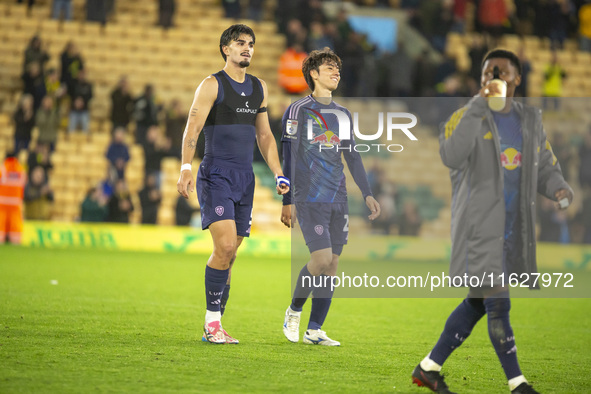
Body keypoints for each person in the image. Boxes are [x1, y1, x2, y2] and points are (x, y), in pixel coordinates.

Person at [411, 49, 573, 394]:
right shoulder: (463, 116)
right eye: (487, 74)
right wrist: (477, 106)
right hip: (477, 226)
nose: (493, 79)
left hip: (513, 228)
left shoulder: (529, 121)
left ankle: (428, 367)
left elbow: (543, 164)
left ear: (517, 80)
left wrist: (558, 187)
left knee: (477, 301)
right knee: (498, 300)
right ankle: (518, 384)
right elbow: (451, 155)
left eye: (501, 74)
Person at [176, 24, 289, 344]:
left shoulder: (259, 88)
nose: (247, 48)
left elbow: (265, 136)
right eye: (240, 43)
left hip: (245, 179)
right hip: (216, 174)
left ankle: (218, 321)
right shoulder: (212, 85)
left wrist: (279, 173)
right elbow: (192, 129)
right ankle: (212, 324)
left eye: (251, 44)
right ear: (226, 48)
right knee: (224, 247)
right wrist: (186, 167)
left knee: (231, 254)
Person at [279, 48, 381, 346]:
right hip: (309, 196)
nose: (337, 71)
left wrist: (367, 193)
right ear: (313, 73)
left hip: (338, 197)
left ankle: (314, 330)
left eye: (338, 67)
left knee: (333, 263)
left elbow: (352, 155)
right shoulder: (298, 110)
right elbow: (290, 155)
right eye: (329, 67)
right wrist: (288, 200)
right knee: (320, 258)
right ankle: (294, 311)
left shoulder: (343, 114)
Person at [0, 152, 27, 245]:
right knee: (15, 227)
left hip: (2, 204)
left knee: (1, 225)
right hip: (16, 205)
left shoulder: (2, 169)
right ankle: (15, 242)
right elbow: (23, 187)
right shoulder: (21, 171)